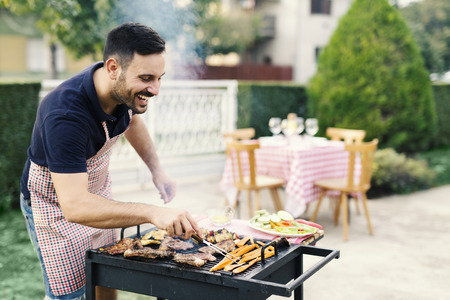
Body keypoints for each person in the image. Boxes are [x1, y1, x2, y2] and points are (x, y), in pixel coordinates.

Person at [19, 22, 201, 300]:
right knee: (73, 293)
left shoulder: (119, 89)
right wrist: (153, 212)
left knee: (105, 274)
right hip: (57, 205)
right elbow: (76, 206)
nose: (156, 89)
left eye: (159, 77)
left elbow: (133, 122)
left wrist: (157, 170)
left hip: (96, 191)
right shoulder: (65, 115)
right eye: (147, 78)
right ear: (113, 68)